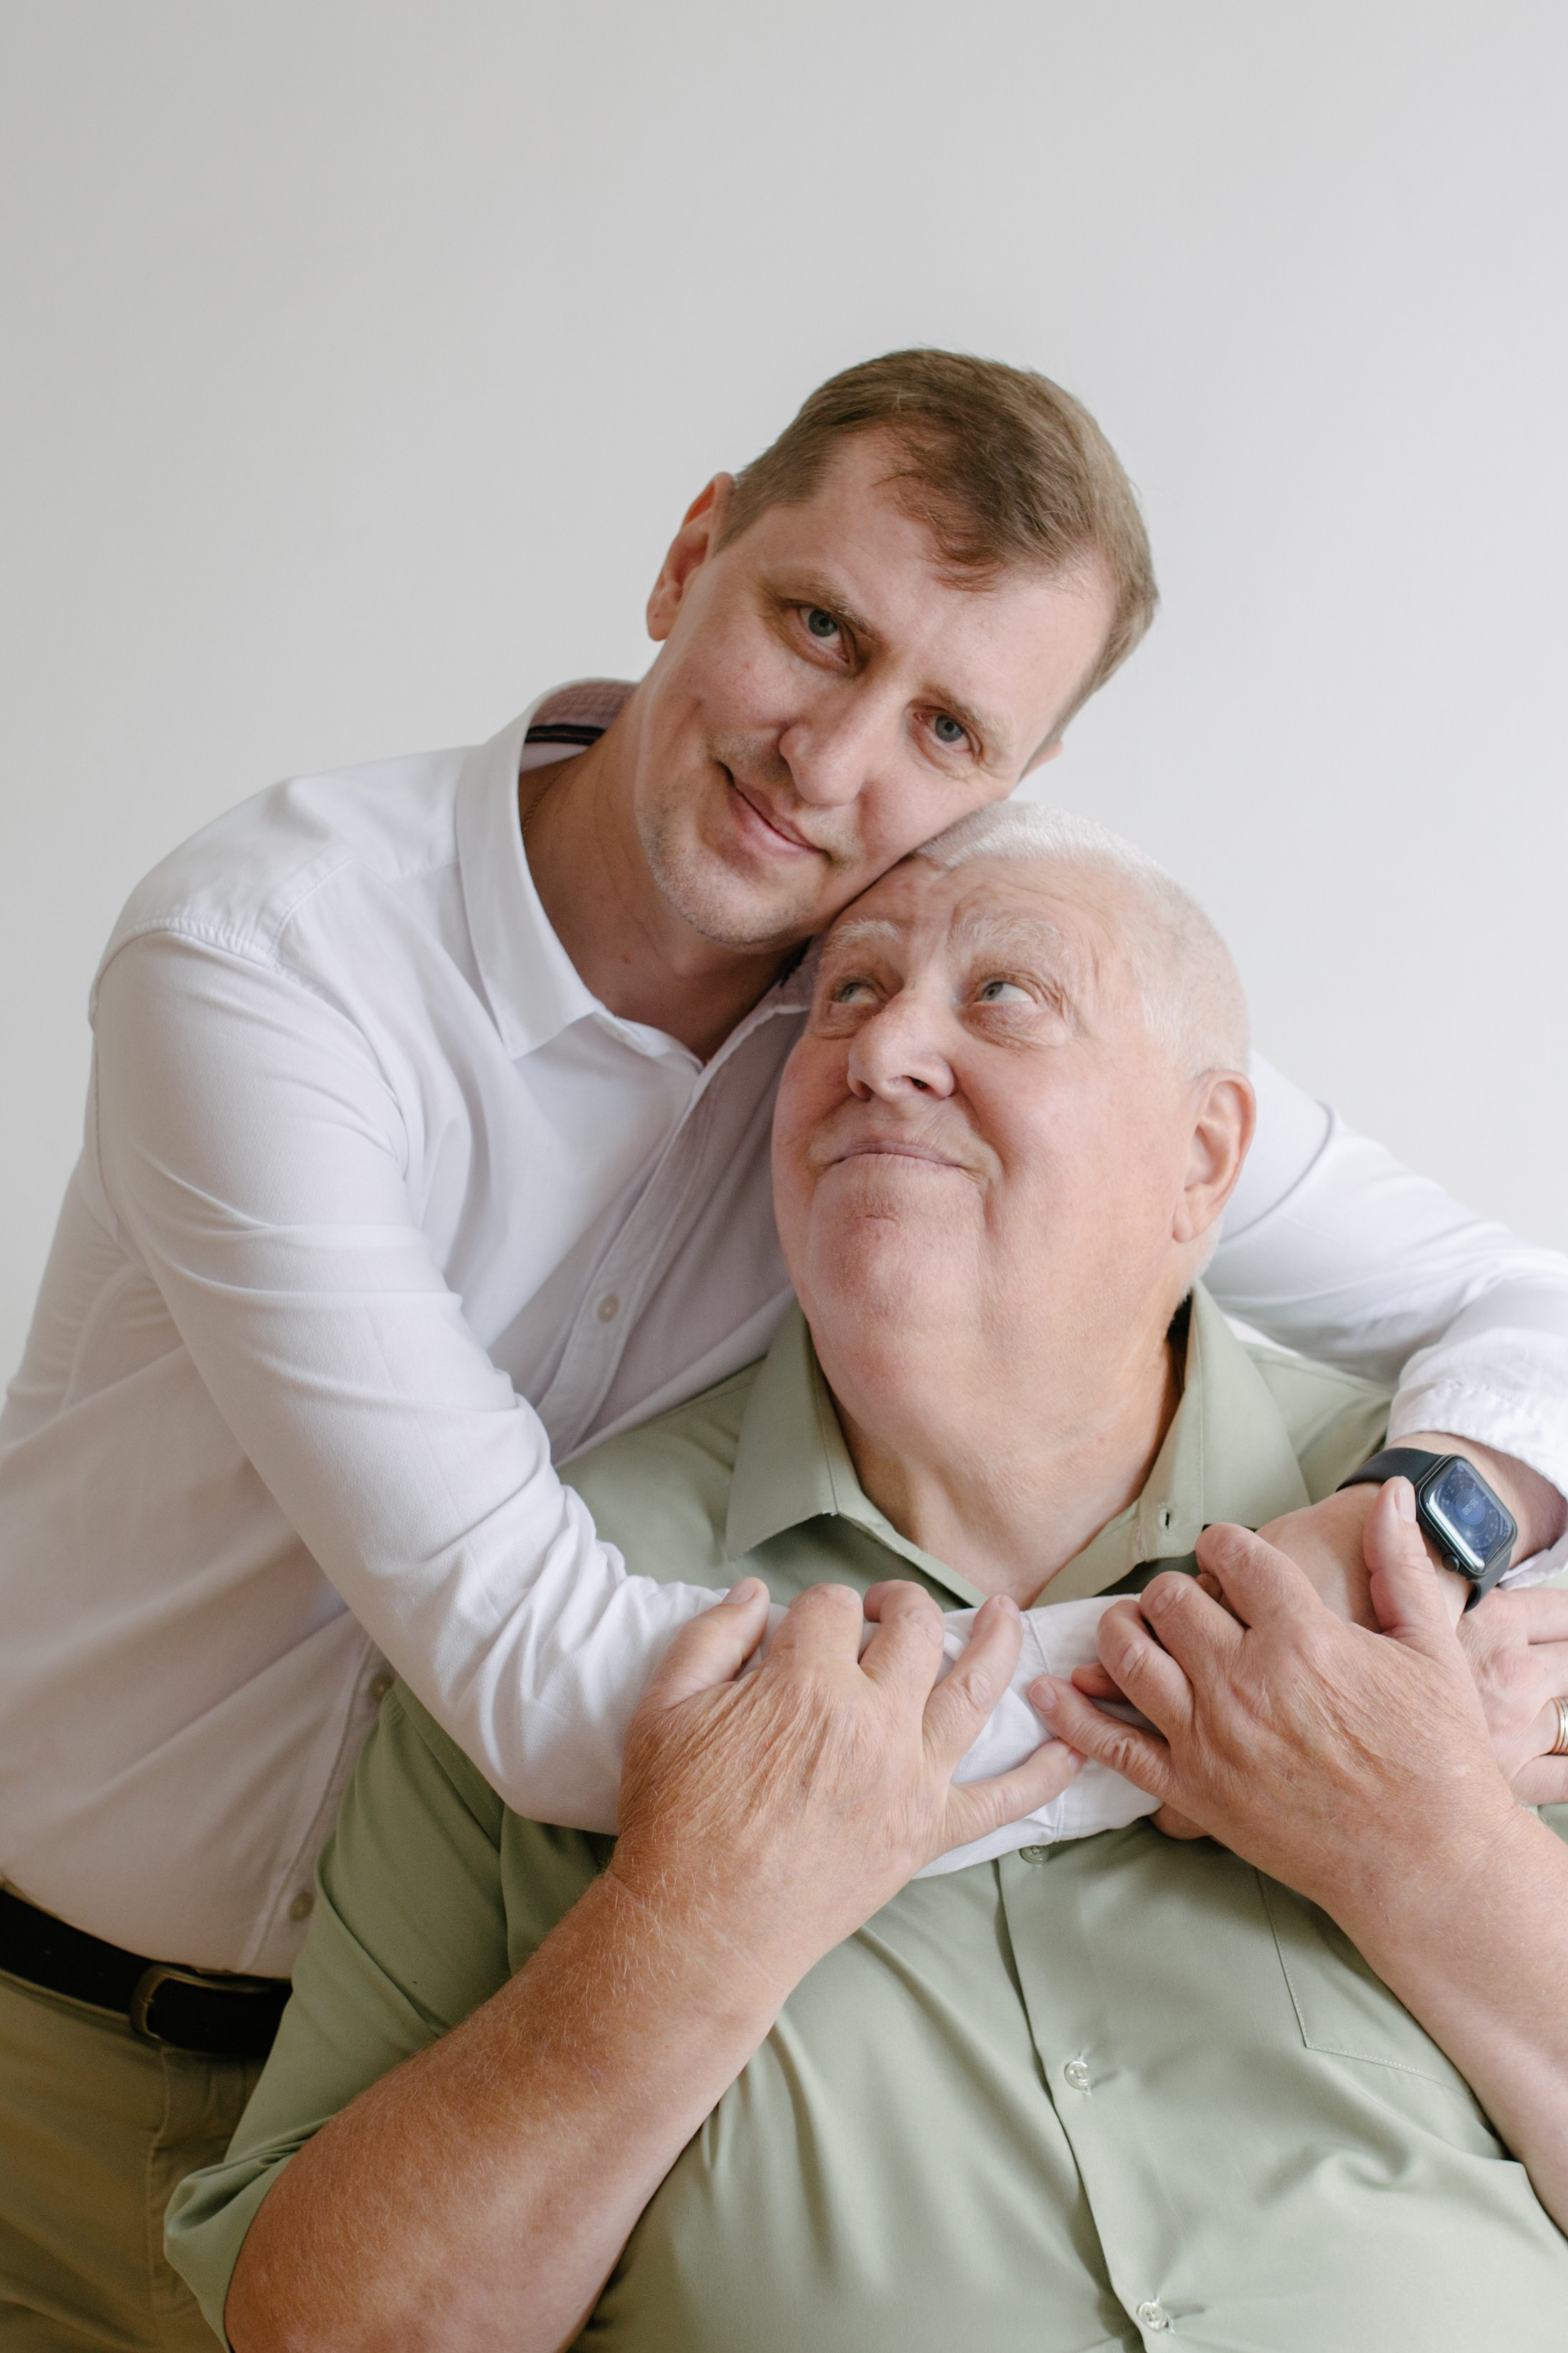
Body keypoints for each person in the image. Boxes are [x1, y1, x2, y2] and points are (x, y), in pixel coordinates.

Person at [4, 351, 1568, 2348]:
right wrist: (1275, 1703)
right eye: (817, 625)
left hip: (518, 2086)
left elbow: (1524, 1304)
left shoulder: (910, 1040)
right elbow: (563, 1690)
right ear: (690, 556)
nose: (831, 761)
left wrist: (1422, 1540)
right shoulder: (270, 964)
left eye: (945, 722)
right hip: (65, 2038)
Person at [167, 813, 1568, 2352]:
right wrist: (689, 1934)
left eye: (1003, 999)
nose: (884, 1049)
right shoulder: (561, 1592)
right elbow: (319, 2332)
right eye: (843, 995)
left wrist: (1435, 1850)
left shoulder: (1465, 1558)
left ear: (1206, 1156)